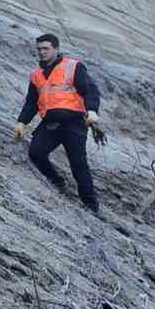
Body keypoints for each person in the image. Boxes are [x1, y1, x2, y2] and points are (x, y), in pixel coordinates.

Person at [15, 34, 103, 216]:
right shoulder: (36, 75)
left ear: (55, 48)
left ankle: (91, 206)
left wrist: (92, 111)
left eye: (46, 48)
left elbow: (90, 90)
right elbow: (32, 102)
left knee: (78, 164)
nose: (42, 52)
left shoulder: (73, 66)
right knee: (36, 153)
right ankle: (56, 182)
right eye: (39, 49)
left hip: (74, 123)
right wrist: (22, 122)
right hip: (50, 124)